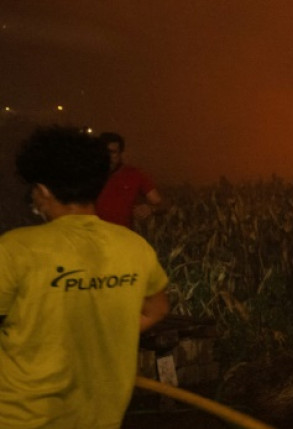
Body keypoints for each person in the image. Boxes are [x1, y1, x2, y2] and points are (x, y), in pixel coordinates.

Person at [0, 125, 170, 428]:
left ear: (43, 191)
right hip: (100, 417)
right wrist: (99, 334)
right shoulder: (134, 247)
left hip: (21, 418)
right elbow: (157, 309)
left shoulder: (15, 248)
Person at [95, 131, 164, 229]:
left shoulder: (135, 175)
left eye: (113, 152)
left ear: (120, 154)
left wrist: (150, 209)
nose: (107, 156)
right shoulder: (87, 175)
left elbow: (160, 204)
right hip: (91, 237)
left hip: (120, 238)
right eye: (104, 152)